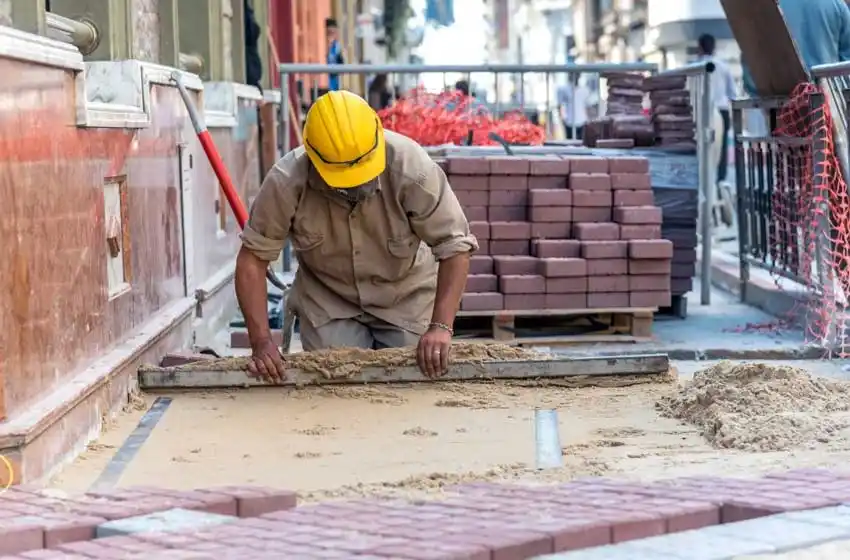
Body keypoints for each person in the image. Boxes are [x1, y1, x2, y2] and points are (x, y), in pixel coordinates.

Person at [235, 91, 478, 383]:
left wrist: (441, 326)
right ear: (313, 158)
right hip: (329, 301)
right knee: (333, 378)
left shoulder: (412, 169)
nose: (355, 185)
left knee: (412, 380)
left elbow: (455, 247)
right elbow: (252, 261)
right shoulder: (287, 182)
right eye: (342, 180)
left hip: (404, 296)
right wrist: (261, 342)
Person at [697, 34, 736, 185]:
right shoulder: (724, 67)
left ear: (700, 47)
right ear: (714, 47)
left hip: (703, 111)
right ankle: (721, 180)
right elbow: (732, 93)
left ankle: (704, 179)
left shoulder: (695, 67)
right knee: (723, 147)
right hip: (722, 110)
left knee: (702, 146)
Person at [557, 75, 590, 140]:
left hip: (582, 121)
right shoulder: (563, 89)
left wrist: (588, 120)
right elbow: (560, 105)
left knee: (582, 143)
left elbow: (587, 106)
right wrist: (562, 119)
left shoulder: (584, 90)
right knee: (570, 144)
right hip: (569, 122)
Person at [326, 18, 344, 92]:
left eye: (333, 32)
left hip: (334, 75)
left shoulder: (336, 45)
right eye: (329, 32)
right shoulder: (325, 43)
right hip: (326, 75)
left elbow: (340, 60)